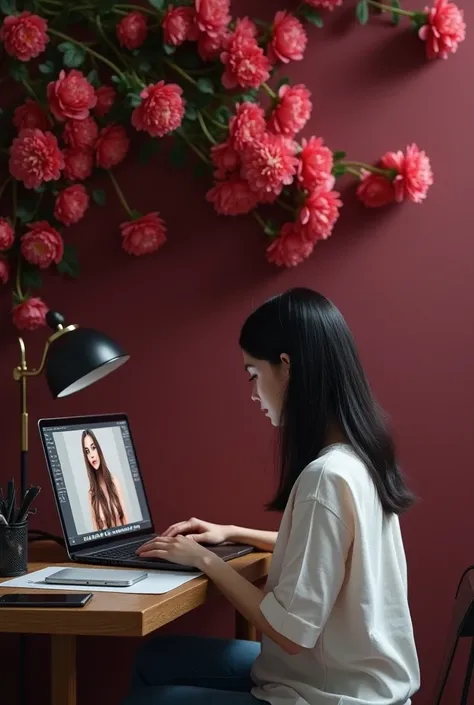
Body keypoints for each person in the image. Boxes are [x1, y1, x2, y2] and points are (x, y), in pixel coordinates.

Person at [123, 288, 420, 705]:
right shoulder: (359, 458)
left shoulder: (325, 477)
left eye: (252, 373)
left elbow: (291, 632)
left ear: (287, 367)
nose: (252, 392)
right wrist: (228, 532)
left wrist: (203, 560)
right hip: (359, 685)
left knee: (151, 699)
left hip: (329, 696)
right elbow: (330, 557)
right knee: (157, 657)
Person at [81, 429, 128, 531]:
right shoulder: (91, 494)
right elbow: (96, 530)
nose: (92, 455)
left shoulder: (114, 482)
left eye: (93, 448)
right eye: (87, 451)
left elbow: (125, 520)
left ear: (99, 449)